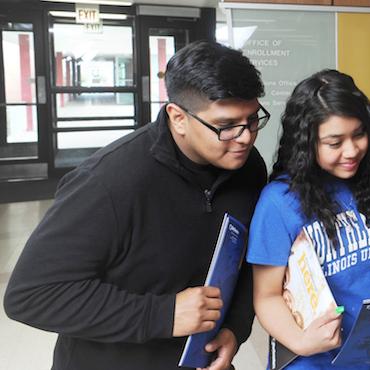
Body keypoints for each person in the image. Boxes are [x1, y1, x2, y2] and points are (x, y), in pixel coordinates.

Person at [3, 40, 268, 370]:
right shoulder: (109, 182)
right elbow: (32, 296)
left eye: (253, 119)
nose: (245, 136)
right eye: (227, 126)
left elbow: (246, 261)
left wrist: (234, 329)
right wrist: (163, 314)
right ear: (178, 117)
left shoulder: (248, 167)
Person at [248, 69, 370, 370]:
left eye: (359, 134)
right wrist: (301, 342)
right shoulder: (279, 202)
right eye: (334, 143)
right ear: (307, 143)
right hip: (312, 361)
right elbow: (266, 296)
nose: (352, 150)